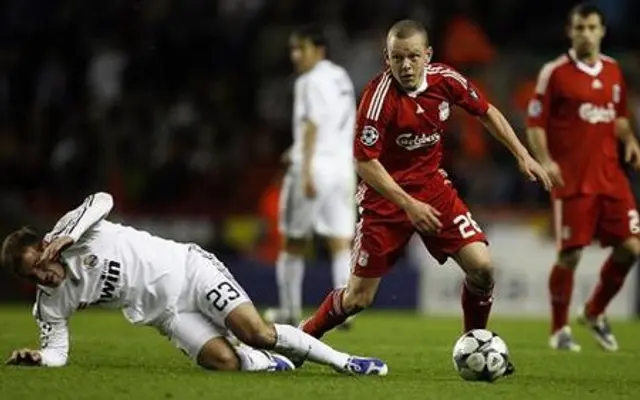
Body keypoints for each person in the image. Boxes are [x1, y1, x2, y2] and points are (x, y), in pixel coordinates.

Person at [299, 19, 552, 368]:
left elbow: (487, 112)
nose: (405, 65)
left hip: (433, 189)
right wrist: (407, 203)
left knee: (482, 268)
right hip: (385, 199)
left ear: (427, 55)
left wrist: (523, 154)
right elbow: (364, 162)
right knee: (358, 299)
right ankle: (302, 337)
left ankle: (473, 345)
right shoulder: (378, 98)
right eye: (397, 58)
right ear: (386, 58)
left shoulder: (446, 79)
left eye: (413, 56)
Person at [1, 192, 387, 376]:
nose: (41, 276)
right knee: (224, 362)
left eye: (39, 263)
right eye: (29, 276)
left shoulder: (76, 231)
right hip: (167, 316)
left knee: (255, 331)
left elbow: (103, 199)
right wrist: (39, 357)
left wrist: (68, 233)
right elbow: (58, 352)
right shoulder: (48, 303)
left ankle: (346, 362)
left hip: (190, 271)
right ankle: (271, 364)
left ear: (45, 245)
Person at [526, 3, 640, 352]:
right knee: (571, 255)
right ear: (570, 31)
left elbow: (617, 116)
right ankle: (559, 330)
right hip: (572, 180)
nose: (586, 34)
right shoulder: (555, 73)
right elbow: (535, 123)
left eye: (592, 27)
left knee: (631, 248)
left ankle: (593, 311)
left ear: (602, 31)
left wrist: (630, 139)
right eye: (579, 28)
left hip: (610, 176)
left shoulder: (613, 70)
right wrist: (546, 160)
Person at [267, 25, 357, 326]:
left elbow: (313, 124)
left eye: (300, 49)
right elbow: (336, 122)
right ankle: (343, 311)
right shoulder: (340, 77)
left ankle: (289, 310)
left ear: (318, 51)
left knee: (293, 240)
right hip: (343, 167)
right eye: (292, 49)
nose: (295, 56)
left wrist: (303, 169)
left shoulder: (309, 81)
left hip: (314, 167)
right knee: (339, 242)